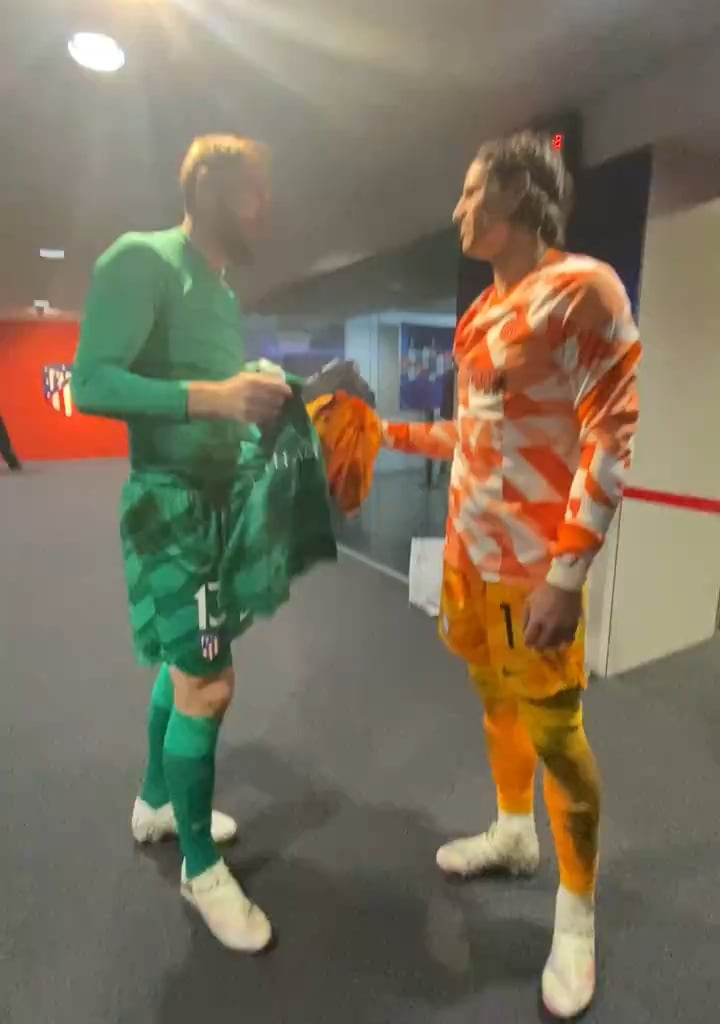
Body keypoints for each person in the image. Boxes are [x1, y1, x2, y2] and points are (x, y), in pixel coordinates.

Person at [381, 131, 640, 1019]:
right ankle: (512, 832)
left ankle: (577, 915)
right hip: (469, 559)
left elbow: (610, 435)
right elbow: (474, 436)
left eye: (471, 192)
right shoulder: (480, 314)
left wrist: (566, 575)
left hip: (535, 568)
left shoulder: (583, 290)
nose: (458, 209)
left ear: (522, 197)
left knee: (558, 734)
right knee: (495, 702)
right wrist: (385, 434)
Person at [72, 135, 296, 954]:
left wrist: (262, 406)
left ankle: (157, 803)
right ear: (206, 186)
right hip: (168, 510)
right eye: (250, 193)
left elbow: (218, 405)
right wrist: (214, 396)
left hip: (215, 509)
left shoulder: (223, 292)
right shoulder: (142, 259)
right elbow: (91, 382)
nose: (262, 210)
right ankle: (201, 871)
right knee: (208, 683)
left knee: (184, 667)